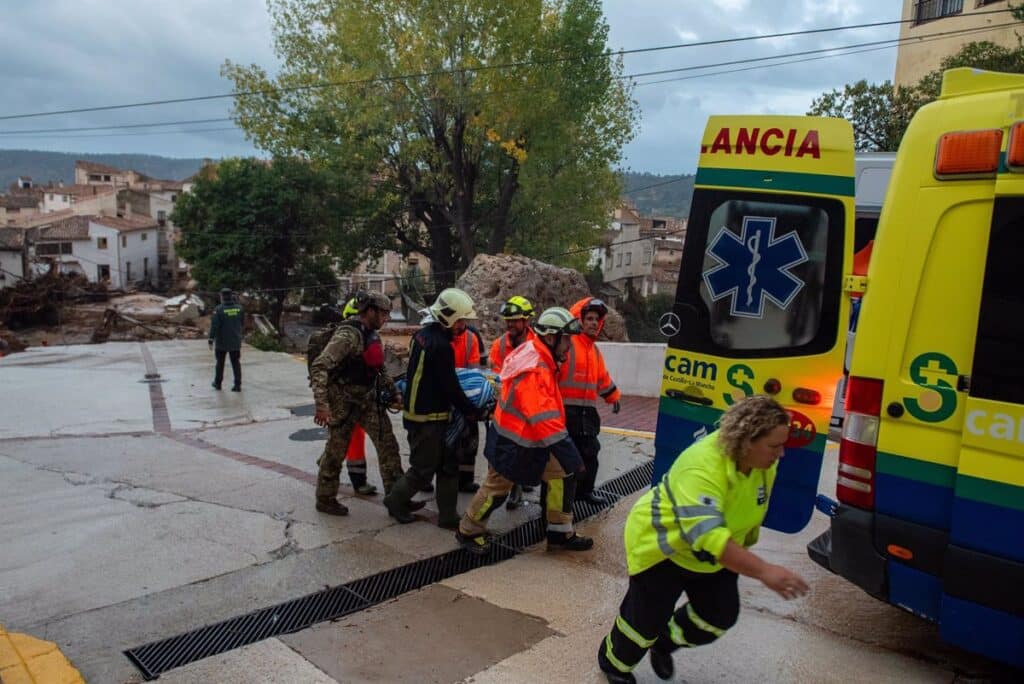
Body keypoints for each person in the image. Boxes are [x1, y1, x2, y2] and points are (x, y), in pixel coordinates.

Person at [597, 395, 809, 683]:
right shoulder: (702, 467)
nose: (781, 454)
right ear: (747, 440)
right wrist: (765, 571)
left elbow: (746, 509)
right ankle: (614, 663)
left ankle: (665, 642)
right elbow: (711, 537)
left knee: (718, 616)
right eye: (774, 446)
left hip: (709, 556)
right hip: (664, 549)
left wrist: (742, 549)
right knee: (643, 623)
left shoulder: (763, 465)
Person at [457, 307, 593, 555]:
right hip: (514, 442)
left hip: (528, 439)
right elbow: (544, 420)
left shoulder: (537, 354)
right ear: (551, 338)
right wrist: (573, 457)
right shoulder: (536, 369)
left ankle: (560, 533)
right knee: (496, 491)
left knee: (562, 475)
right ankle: (468, 531)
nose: (569, 347)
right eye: (566, 340)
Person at [383, 288, 482, 528]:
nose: (463, 326)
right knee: (423, 470)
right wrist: (471, 409)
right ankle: (395, 502)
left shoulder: (423, 335)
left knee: (448, 465)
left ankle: (448, 516)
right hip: (427, 420)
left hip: (425, 416)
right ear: (448, 318)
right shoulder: (441, 346)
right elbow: (450, 386)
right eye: (461, 321)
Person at [310, 291, 404, 516]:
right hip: (344, 402)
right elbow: (320, 366)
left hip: (368, 399)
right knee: (335, 452)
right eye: (383, 313)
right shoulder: (347, 336)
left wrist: (393, 393)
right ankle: (325, 499)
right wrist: (322, 405)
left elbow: (379, 367)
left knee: (388, 446)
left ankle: (398, 498)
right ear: (369, 311)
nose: (386, 318)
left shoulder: (372, 335)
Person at [559, 297, 621, 505]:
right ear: (579, 320)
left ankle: (584, 492)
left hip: (586, 414)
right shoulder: (568, 344)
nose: (594, 323)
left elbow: (602, 378)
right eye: (589, 318)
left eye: (597, 319)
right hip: (565, 413)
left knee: (591, 455)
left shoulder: (594, 350)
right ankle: (557, 504)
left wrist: (613, 397)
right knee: (563, 462)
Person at [488, 295, 538, 510]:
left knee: (525, 452)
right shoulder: (499, 346)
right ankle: (507, 489)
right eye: (508, 320)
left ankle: (518, 486)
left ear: (527, 321)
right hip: (506, 409)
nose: (510, 324)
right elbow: (495, 376)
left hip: (530, 409)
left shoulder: (538, 345)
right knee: (503, 453)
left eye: (515, 320)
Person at [452, 323, 486, 493]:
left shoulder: (471, 338)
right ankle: (428, 478)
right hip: (447, 394)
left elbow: (474, 370)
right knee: (443, 443)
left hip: (466, 393)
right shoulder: (441, 336)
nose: (459, 324)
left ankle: (465, 480)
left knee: (470, 442)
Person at [209, 288, 244, 391]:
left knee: (220, 363)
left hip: (222, 342)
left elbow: (214, 326)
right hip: (235, 341)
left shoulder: (218, 309)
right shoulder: (239, 309)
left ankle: (218, 383)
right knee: (236, 363)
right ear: (231, 296)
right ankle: (237, 385)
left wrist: (211, 339)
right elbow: (242, 323)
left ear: (222, 297)